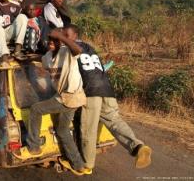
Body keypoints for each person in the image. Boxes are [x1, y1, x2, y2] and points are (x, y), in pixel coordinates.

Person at [64, 24, 152, 173]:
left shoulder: (69, 49)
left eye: (65, 35)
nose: (63, 38)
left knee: (88, 130)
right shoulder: (89, 47)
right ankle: (137, 146)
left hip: (91, 92)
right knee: (114, 121)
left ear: (73, 36)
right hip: (106, 88)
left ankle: (86, 165)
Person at [14, 29, 87, 176]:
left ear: (61, 42)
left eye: (55, 40)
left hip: (72, 96)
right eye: (50, 40)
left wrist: (61, 37)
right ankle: (78, 164)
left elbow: (78, 49)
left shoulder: (67, 53)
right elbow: (43, 68)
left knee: (35, 109)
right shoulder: (47, 57)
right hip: (63, 97)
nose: (52, 43)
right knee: (62, 131)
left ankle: (34, 147)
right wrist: (24, 64)